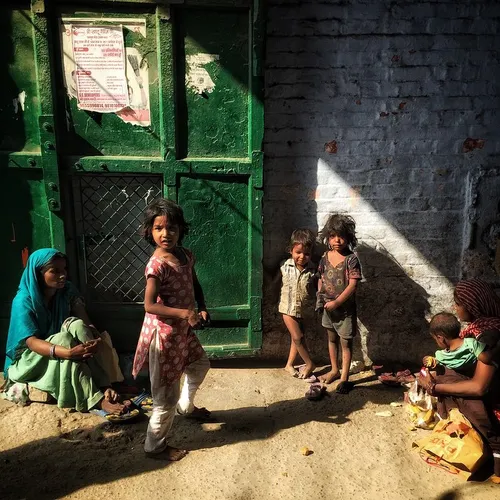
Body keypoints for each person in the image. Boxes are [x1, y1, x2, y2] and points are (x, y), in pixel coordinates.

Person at [2, 248, 127, 416]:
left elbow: (83, 320)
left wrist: (93, 335)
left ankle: (105, 385)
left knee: (77, 325)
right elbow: (31, 342)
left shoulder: (66, 291)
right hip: (27, 361)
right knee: (64, 339)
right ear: (38, 274)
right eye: (55, 271)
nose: (63, 275)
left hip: (56, 348)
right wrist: (68, 353)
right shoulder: (23, 301)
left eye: (64, 270)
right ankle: (96, 399)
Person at [132, 198, 211, 461]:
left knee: (199, 365)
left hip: (182, 333)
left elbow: (194, 281)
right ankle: (154, 447)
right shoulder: (157, 265)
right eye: (158, 228)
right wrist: (185, 313)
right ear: (149, 232)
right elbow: (149, 305)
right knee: (165, 396)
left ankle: (186, 407)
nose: (166, 234)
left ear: (181, 230)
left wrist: (201, 306)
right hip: (164, 338)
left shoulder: (185, 255)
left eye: (172, 228)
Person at [418, 279, 500, 481]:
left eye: (458, 303)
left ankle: (493, 448)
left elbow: (479, 387)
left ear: (471, 305)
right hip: (487, 389)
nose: (455, 308)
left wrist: (436, 387)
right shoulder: (475, 331)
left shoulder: (489, 336)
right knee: (438, 374)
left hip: (494, 398)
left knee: (449, 384)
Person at [316, 214, 362, 393]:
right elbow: (320, 277)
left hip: (345, 311)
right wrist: (320, 296)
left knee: (345, 343)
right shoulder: (325, 256)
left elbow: (353, 284)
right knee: (331, 339)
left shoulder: (351, 259)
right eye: (333, 236)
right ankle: (334, 369)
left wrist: (337, 302)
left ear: (349, 238)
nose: (337, 240)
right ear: (328, 237)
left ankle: (344, 377)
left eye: (341, 236)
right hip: (328, 308)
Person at [279, 229, 317, 379]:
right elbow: (276, 283)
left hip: (303, 308)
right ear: (291, 250)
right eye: (298, 252)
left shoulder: (313, 270)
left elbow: (316, 288)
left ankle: (289, 365)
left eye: (306, 254)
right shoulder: (284, 266)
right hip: (287, 307)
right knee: (298, 337)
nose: (302, 257)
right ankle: (309, 364)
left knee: (297, 338)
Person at [423, 312, 498, 373]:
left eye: (435, 339)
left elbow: (434, 362)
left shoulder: (441, 356)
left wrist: (430, 360)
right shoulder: (470, 343)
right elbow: (486, 358)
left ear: (440, 338)